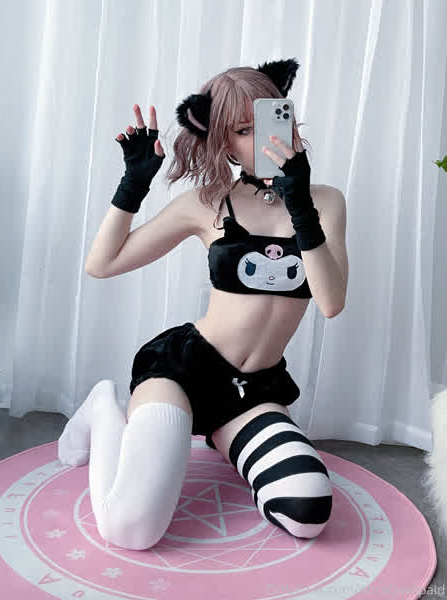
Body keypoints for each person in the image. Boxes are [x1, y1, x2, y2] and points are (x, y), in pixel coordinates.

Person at [58, 58, 336, 551]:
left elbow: (331, 302)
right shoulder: (206, 203)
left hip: (254, 390)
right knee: (130, 531)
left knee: (308, 511)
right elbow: (102, 264)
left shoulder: (326, 202)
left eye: (273, 118)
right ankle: (104, 407)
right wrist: (133, 184)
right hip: (184, 372)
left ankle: (225, 438)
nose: (265, 139)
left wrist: (299, 204)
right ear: (223, 142)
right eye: (244, 131)